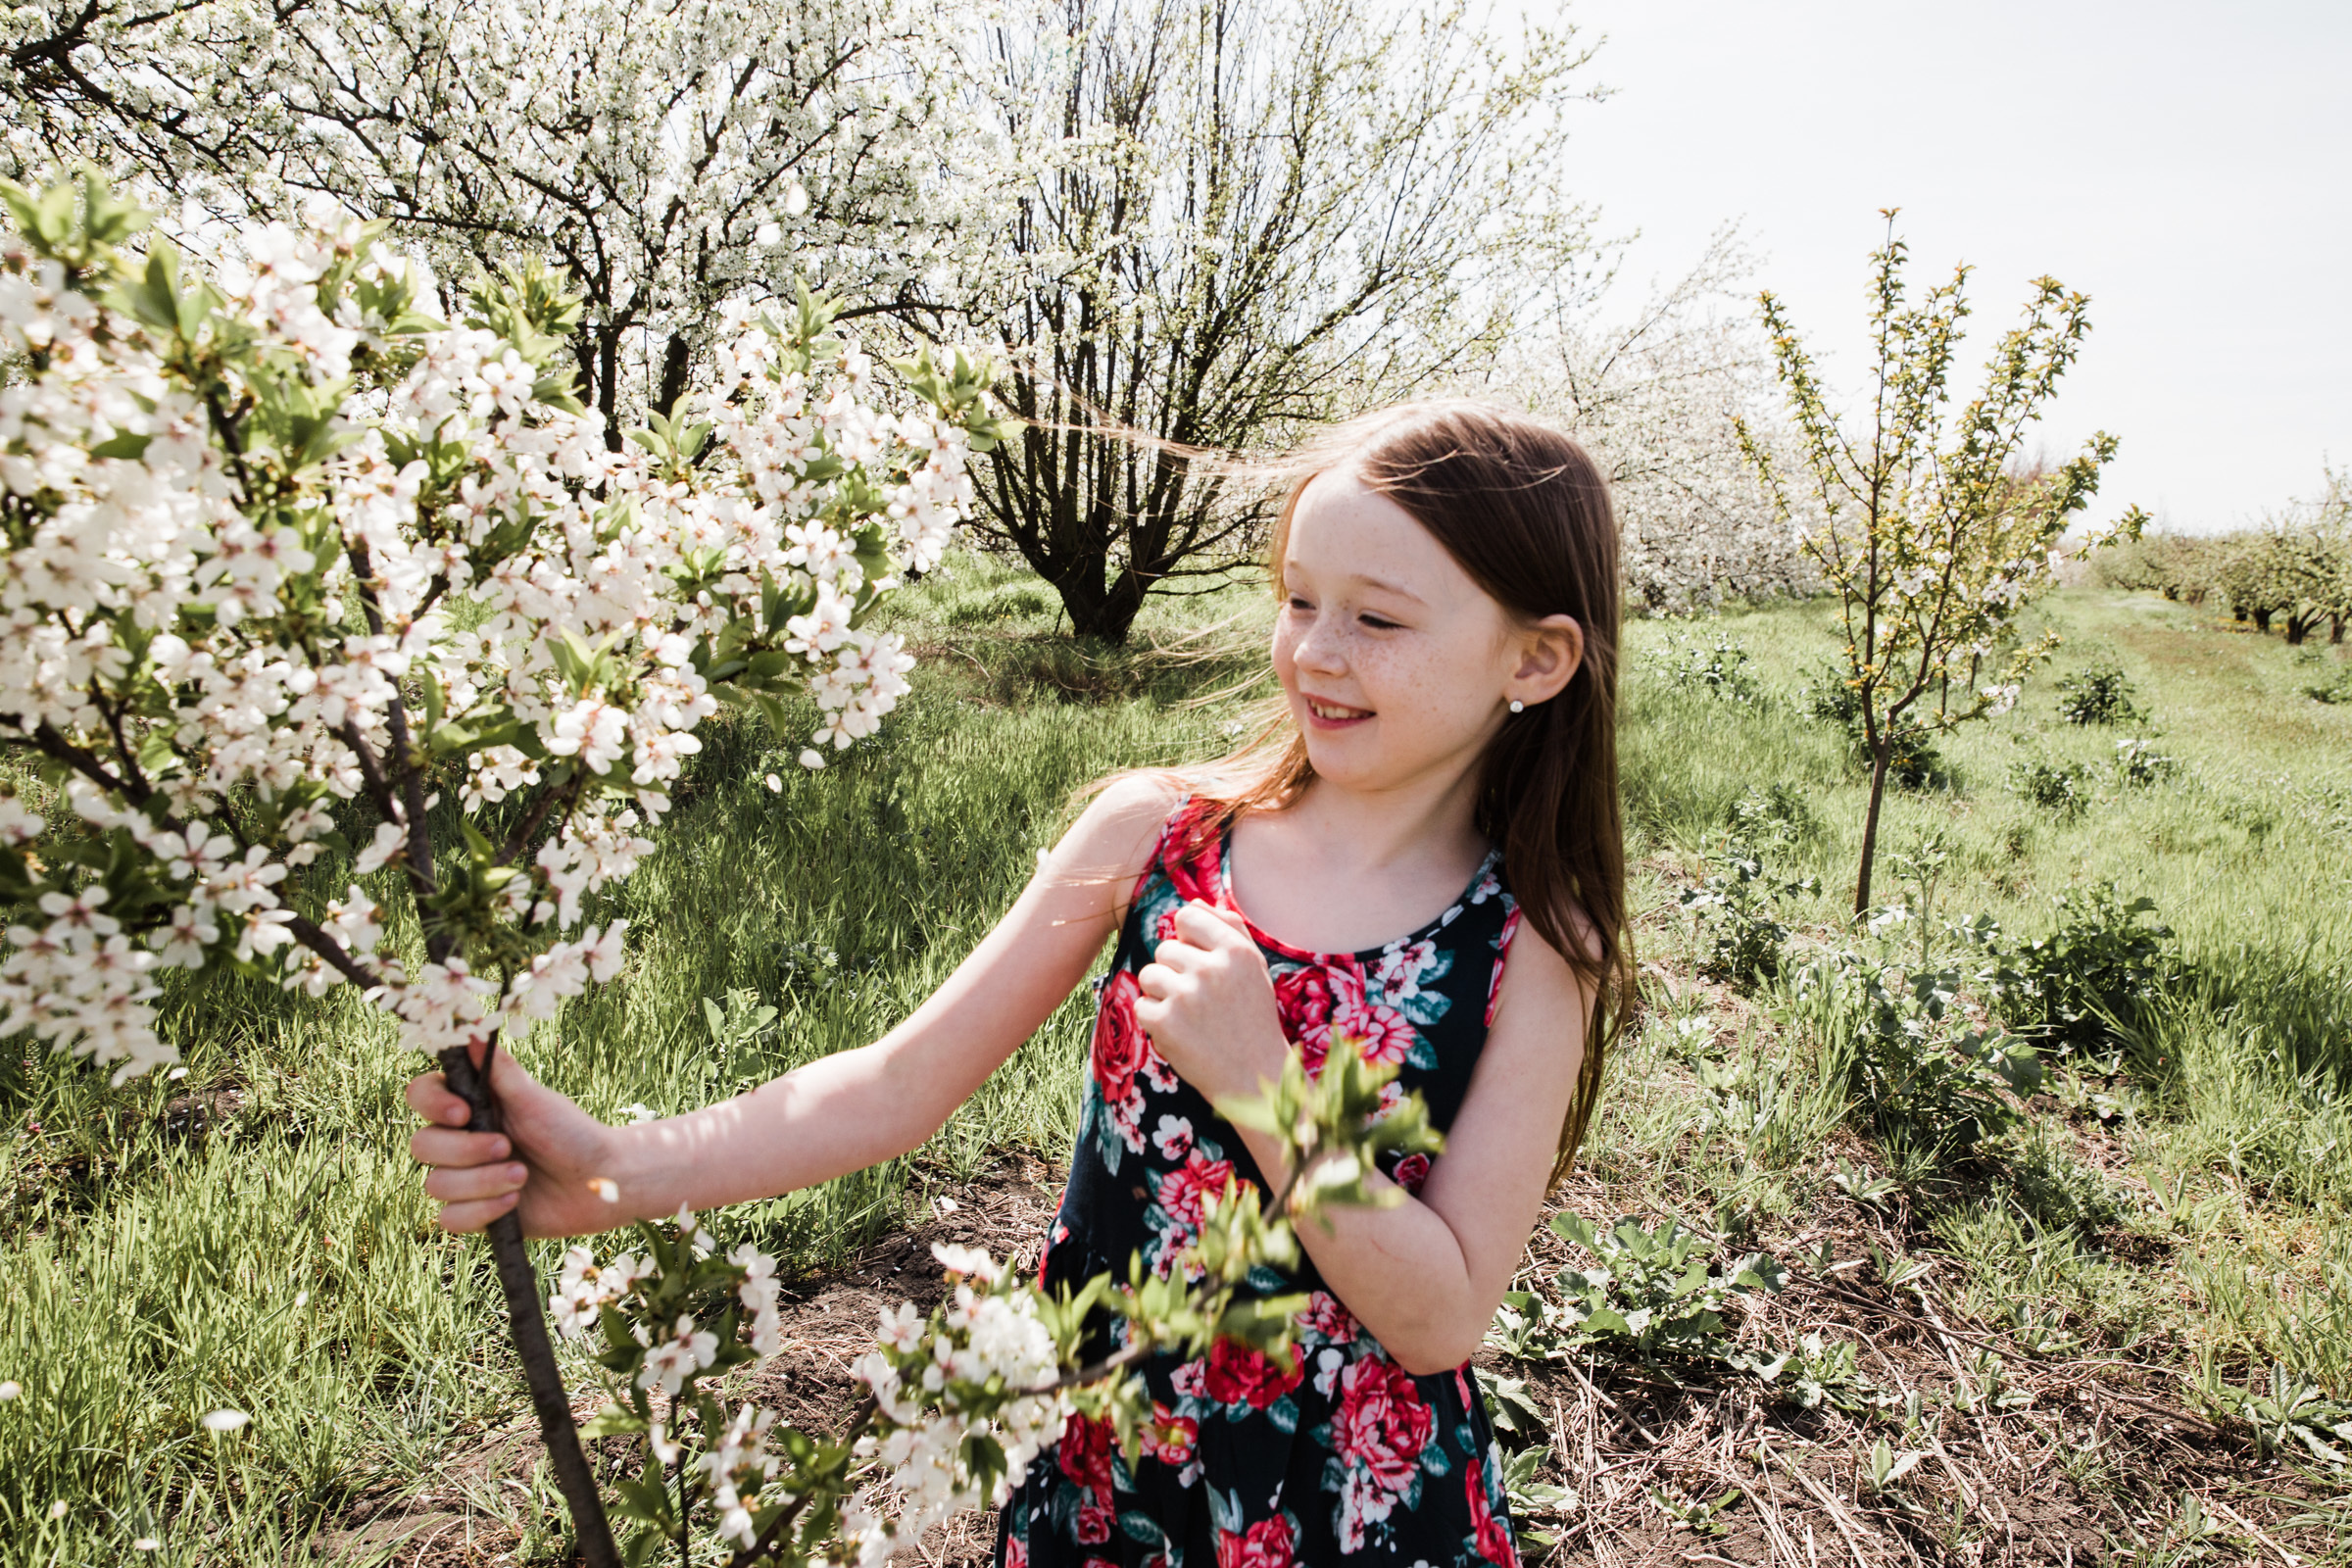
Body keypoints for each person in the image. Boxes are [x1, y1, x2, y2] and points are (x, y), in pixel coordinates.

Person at [405, 400, 1631, 1568]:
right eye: (1298, 599)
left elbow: (1443, 1317)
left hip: (1354, 1502)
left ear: (1535, 657)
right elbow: (895, 1084)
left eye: (1379, 619)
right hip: (1107, 1460)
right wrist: (617, 1166)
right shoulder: (1158, 836)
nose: (1313, 650)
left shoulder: (1531, 943)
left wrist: (1266, 1085)